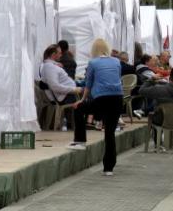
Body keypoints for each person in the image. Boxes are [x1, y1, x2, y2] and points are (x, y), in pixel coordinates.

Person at [73, 38, 123, 176]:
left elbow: (88, 85)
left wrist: (81, 100)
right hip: (118, 99)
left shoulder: (93, 63)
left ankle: (80, 141)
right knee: (110, 133)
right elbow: (117, 79)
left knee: (79, 109)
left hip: (101, 99)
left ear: (93, 50)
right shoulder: (116, 61)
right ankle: (109, 168)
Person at [39, 44, 84, 133]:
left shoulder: (51, 65)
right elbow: (55, 87)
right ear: (53, 54)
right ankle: (94, 122)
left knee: (91, 91)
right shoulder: (49, 67)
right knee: (90, 94)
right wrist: (75, 90)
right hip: (65, 96)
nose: (61, 55)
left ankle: (87, 123)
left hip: (68, 93)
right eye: (59, 53)